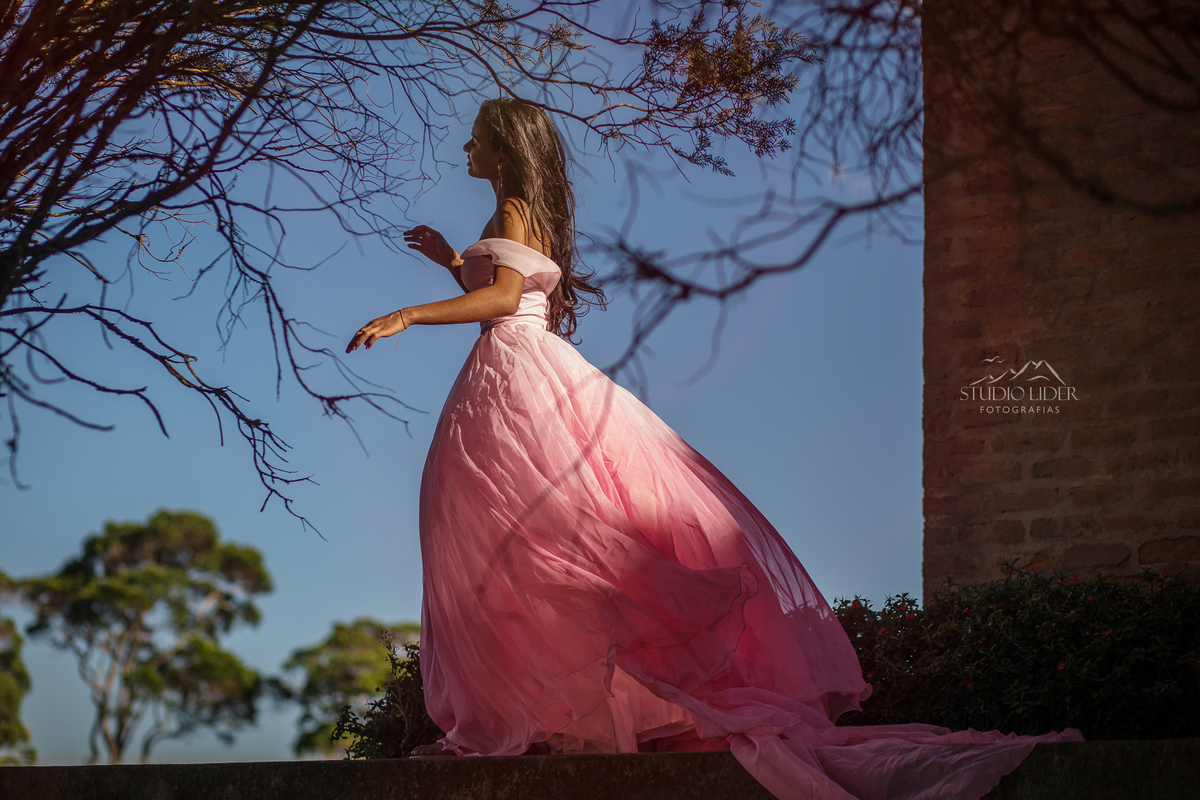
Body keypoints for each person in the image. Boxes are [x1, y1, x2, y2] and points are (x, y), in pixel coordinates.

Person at [346, 98, 1080, 800]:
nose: (466, 149)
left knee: (540, 538)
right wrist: (450, 261)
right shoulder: (508, 215)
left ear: (504, 147)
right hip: (507, 373)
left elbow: (509, 300)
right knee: (521, 538)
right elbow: (510, 288)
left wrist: (410, 313)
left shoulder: (512, 211)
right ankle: (544, 716)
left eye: (477, 138)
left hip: (516, 376)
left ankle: (546, 714)